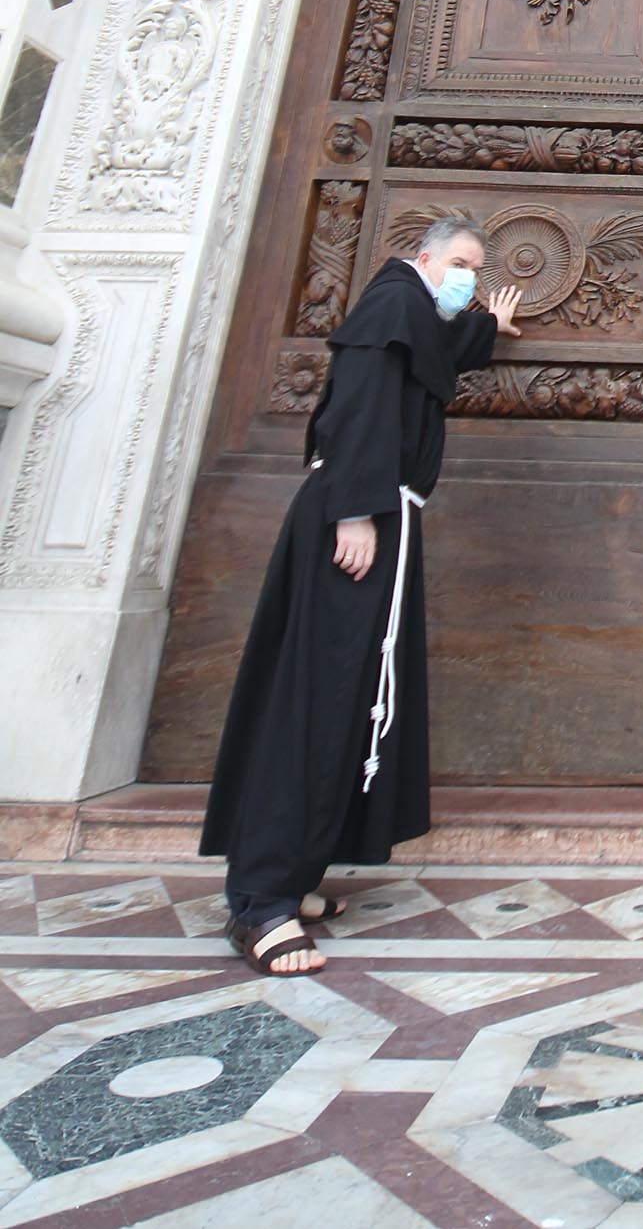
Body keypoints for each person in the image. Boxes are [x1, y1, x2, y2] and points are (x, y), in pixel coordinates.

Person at [200, 215, 521, 976]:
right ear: (423, 257)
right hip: (360, 517)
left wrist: (488, 328)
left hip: (381, 513)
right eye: (461, 264)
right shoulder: (390, 309)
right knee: (318, 694)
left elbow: (431, 362)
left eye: (475, 268)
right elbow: (357, 410)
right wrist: (355, 510)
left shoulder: (408, 312)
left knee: (352, 695)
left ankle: (297, 873)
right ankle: (261, 904)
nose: (468, 277)